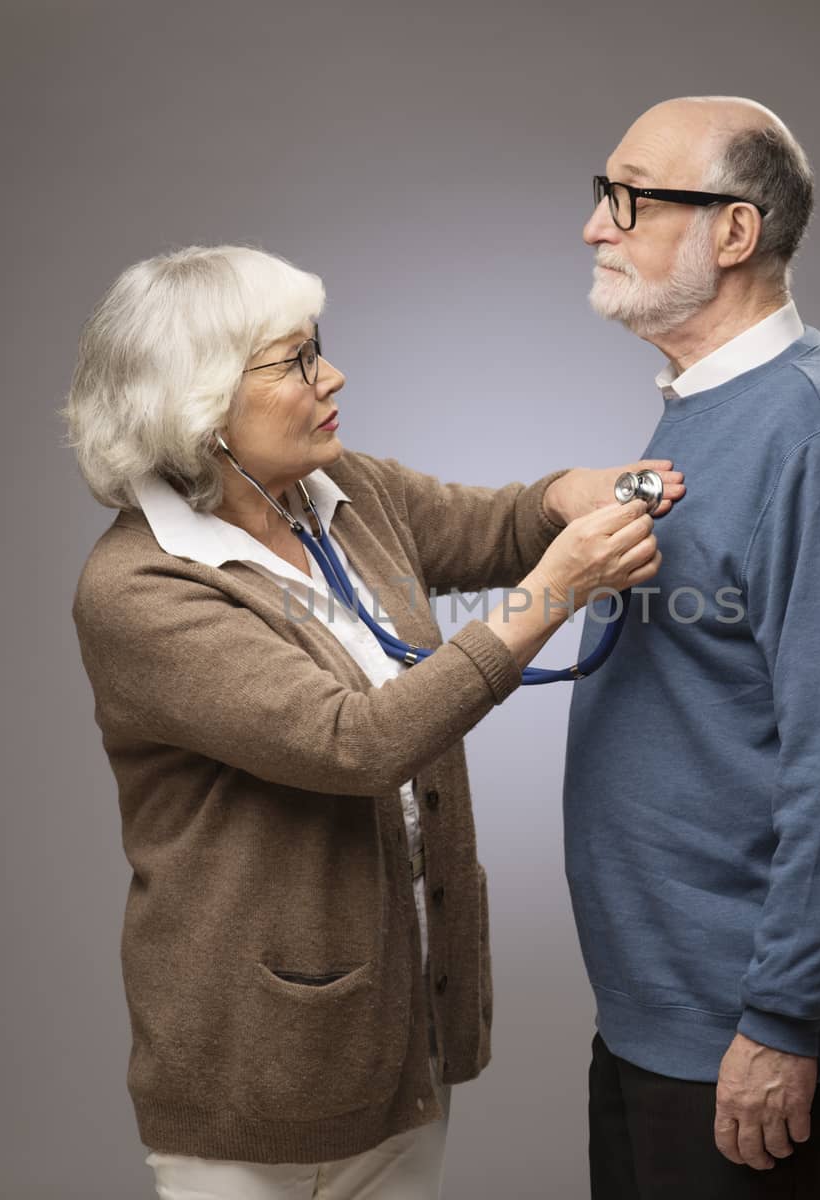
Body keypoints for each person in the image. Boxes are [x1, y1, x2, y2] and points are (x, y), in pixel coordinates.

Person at [64, 244, 681, 1199]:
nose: (332, 375)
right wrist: (553, 593)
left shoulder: (336, 495)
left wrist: (565, 495)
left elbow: (496, 523)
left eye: (321, 347)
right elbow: (355, 742)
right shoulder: (140, 589)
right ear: (198, 406)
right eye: (295, 360)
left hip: (401, 1041)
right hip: (257, 1078)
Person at [563, 97, 820, 1199]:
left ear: (732, 233)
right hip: (658, 1014)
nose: (595, 226)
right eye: (601, 194)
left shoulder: (816, 428)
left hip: (742, 1034)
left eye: (629, 198)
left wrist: (780, 1019)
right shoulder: (706, 403)